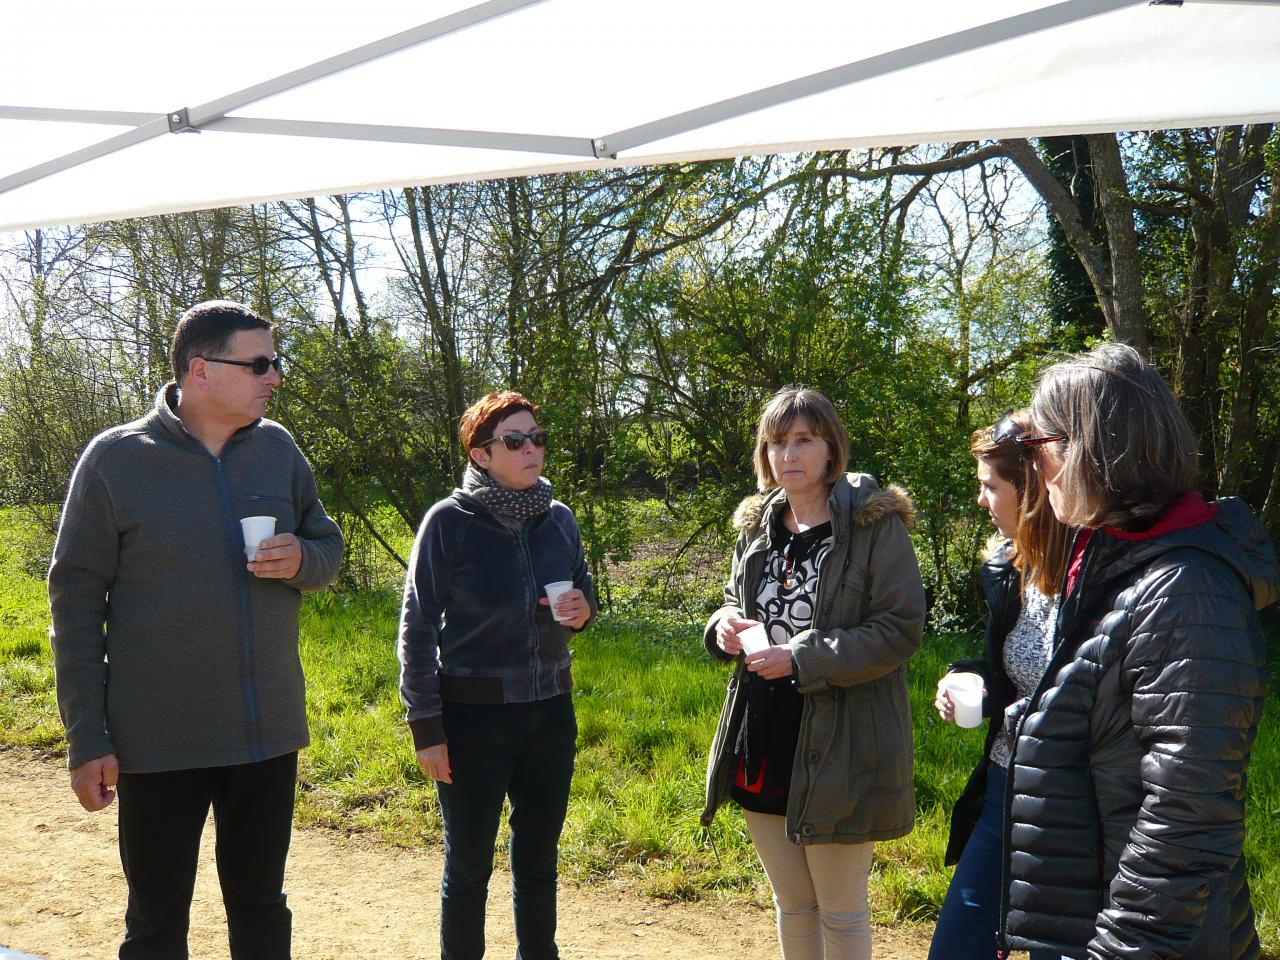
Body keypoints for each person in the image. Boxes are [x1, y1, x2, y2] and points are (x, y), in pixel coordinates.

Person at [48, 299, 344, 959]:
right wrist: (86, 737)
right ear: (201, 370)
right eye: (260, 363)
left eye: (275, 361)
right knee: (155, 928)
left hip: (267, 735)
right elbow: (73, 600)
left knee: (263, 911)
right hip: (159, 742)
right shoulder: (115, 461)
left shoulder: (279, 450)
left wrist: (304, 559)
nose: (275, 376)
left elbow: (327, 546)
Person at [999, 342, 1278, 959]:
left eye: (1038, 447)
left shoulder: (1185, 588)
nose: (1035, 468)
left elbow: (1187, 814)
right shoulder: (1118, 558)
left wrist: (1120, 950)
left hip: (1147, 940)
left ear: (1090, 449)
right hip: (1097, 919)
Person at [701, 386, 925, 960]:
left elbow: (899, 629)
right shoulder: (758, 526)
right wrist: (724, 624)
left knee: (842, 911)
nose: (788, 455)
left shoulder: (875, 526)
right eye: (776, 443)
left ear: (832, 450)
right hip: (762, 732)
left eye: (803, 440)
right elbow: (734, 599)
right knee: (793, 904)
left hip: (841, 738)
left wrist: (802, 658)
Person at [397, 390, 596, 960]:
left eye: (537, 438)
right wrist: (426, 726)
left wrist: (582, 610)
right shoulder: (449, 522)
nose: (532, 449)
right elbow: (416, 626)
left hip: (551, 713)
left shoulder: (558, 518)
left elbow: (585, 593)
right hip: (471, 720)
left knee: (538, 858)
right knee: (468, 867)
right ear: (481, 455)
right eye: (515, 440)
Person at [927, 411, 1071, 960]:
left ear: (1033, 489)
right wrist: (967, 676)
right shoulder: (1009, 568)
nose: (982, 502)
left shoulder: (1101, 576)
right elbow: (1009, 671)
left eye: (991, 487)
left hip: (1075, 810)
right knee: (956, 950)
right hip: (1004, 789)